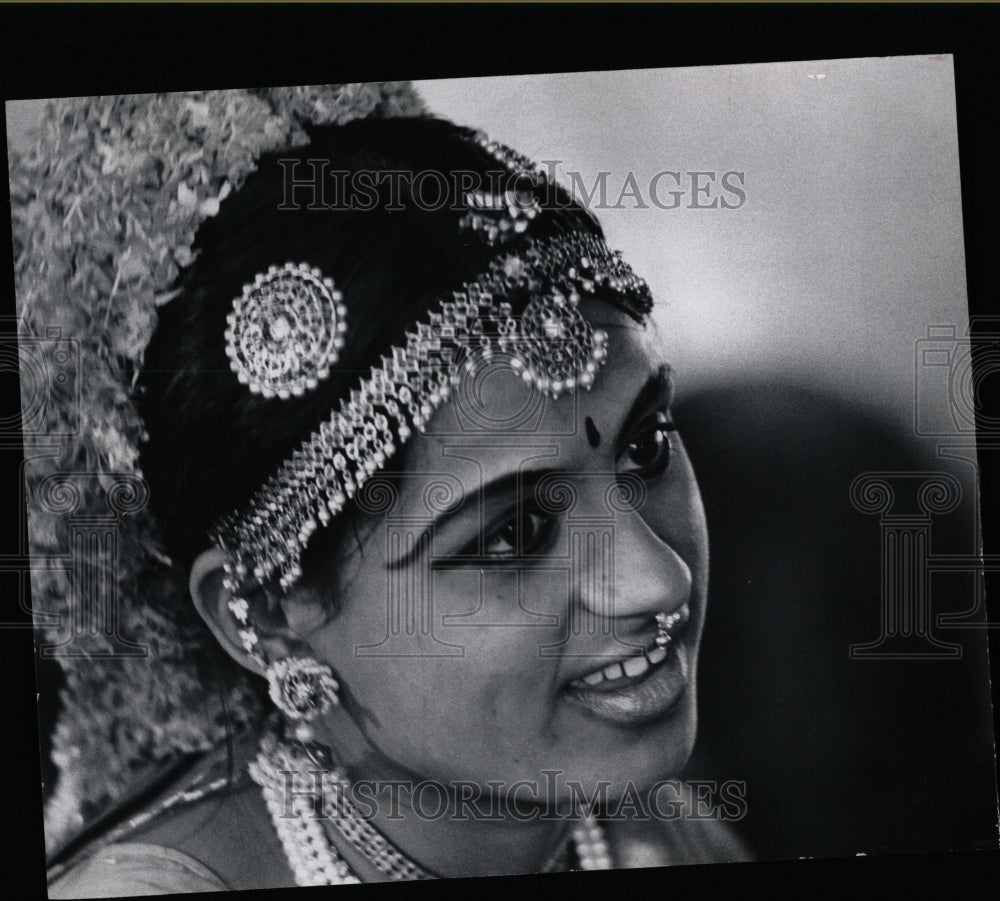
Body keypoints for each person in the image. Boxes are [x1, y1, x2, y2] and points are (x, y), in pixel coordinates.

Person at [45, 111, 749, 896]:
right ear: (269, 613)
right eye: (515, 532)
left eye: (646, 447)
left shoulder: (649, 830)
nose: (661, 580)